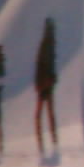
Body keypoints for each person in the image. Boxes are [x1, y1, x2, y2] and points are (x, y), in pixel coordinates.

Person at [33, 16, 59, 155]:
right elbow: (45, 64)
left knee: (40, 115)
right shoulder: (50, 44)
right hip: (47, 84)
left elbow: (40, 64)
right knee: (49, 114)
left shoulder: (46, 44)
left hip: (44, 85)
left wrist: (39, 83)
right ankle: (53, 141)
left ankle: (42, 143)